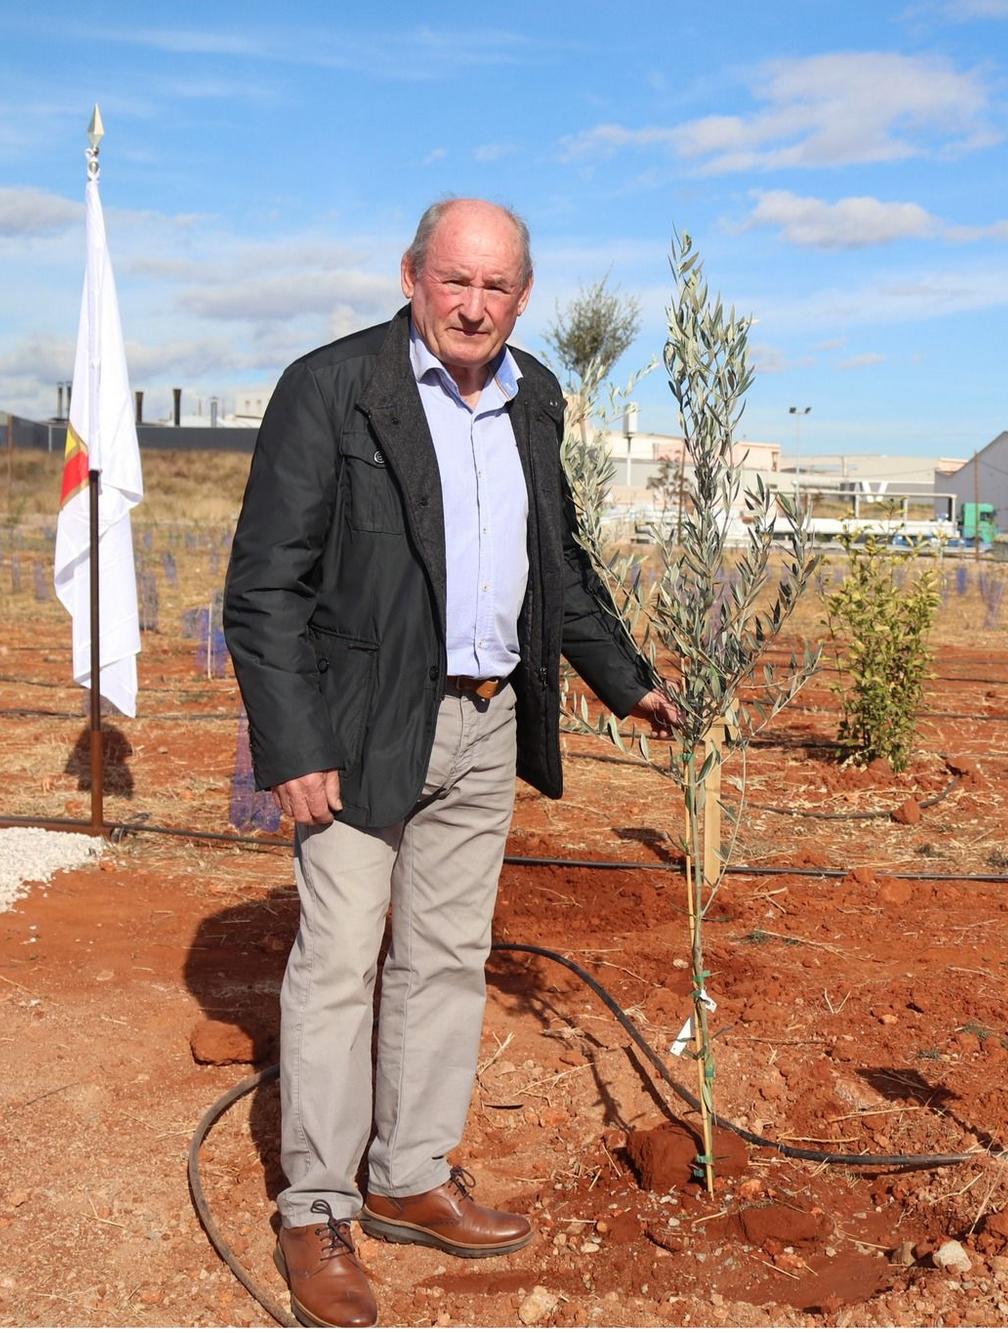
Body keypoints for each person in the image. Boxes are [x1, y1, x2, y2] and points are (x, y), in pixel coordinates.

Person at [224, 197, 677, 1328]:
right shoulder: (331, 389)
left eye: (496, 287)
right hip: (359, 726)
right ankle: (315, 1209)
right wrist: (292, 741)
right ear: (414, 276)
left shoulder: (535, 398)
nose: (473, 306)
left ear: (522, 297)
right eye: (454, 281)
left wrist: (623, 677)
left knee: (443, 959)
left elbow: (554, 561)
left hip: (483, 724)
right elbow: (263, 587)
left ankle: (408, 1173)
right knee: (336, 967)